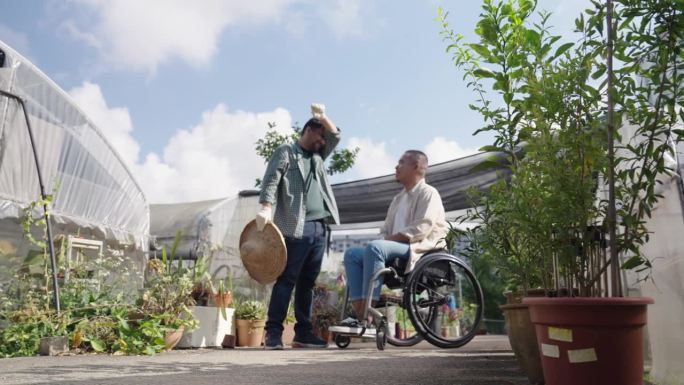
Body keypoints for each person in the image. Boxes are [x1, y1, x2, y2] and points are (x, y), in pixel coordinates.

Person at [256, 103, 341, 350]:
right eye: (319, 136)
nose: (323, 142)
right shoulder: (286, 152)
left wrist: (324, 117)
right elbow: (271, 179)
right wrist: (265, 207)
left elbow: (336, 135)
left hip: (320, 228)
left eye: (324, 138)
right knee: (287, 279)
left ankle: (303, 333)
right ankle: (273, 333)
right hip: (296, 225)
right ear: (308, 131)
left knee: (308, 283)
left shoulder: (318, 156)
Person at [340, 150, 447, 327]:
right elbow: (386, 230)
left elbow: (423, 227)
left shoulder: (429, 193)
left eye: (401, 162)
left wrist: (388, 241)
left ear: (417, 167)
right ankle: (360, 317)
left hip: (420, 247)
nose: (396, 166)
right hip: (395, 248)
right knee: (352, 254)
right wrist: (385, 241)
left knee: (376, 248)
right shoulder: (398, 199)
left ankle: (366, 316)